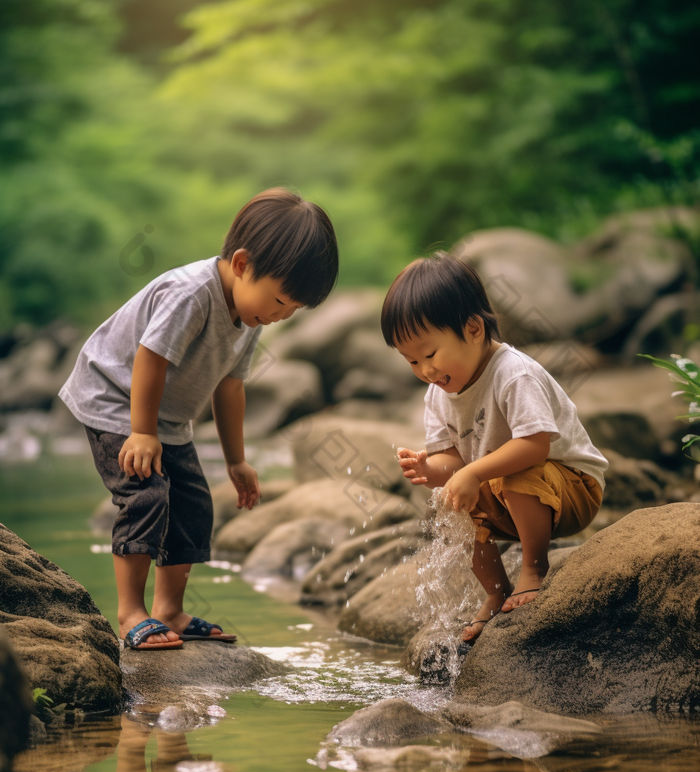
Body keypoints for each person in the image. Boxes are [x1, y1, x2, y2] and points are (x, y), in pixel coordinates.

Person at [60, 188, 338, 650]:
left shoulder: (250, 315)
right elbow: (149, 358)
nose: (282, 315)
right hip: (114, 397)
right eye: (281, 301)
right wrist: (142, 431)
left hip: (165, 419)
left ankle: (169, 609)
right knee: (146, 493)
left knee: (192, 502)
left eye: (293, 310)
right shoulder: (191, 293)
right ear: (244, 264)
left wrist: (237, 461)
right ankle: (131, 612)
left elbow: (229, 387)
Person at [380, 251, 606, 646]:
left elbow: (535, 446)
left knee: (514, 469)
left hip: (571, 488)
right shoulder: (438, 394)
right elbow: (455, 462)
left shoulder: (513, 374)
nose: (425, 371)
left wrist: (472, 472)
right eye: (411, 361)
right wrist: (431, 469)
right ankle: (496, 591)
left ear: (473, 329)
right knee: (447, 499)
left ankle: (534, 569)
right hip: (508, 494)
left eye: (430, 354)